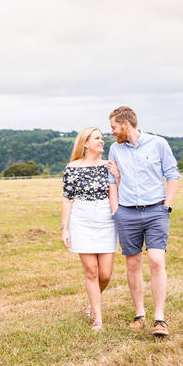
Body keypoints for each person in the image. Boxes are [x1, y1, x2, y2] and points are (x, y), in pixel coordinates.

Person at [107, 106, 180, 337]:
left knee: (156, 261)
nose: (112, 132)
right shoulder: (115, 149)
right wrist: (116, 211)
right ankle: (140, 315)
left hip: (156, 211)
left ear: (125, 125)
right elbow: (112, 181)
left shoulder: (159, 144)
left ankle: (160, 319)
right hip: (127, 213)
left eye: (114, 127)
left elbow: (173, 175)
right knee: (132, 264)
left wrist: (166, 205)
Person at [61, 127, 120, 331]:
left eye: (102, 138)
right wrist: (64, 228)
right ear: (85, 143)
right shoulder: (73, 167)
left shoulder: (109, 165)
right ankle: (97, 317)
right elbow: (67, 200)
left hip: (106, 220)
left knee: (105, 274)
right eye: (97, 138)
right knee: (91, 271)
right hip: (82, 220)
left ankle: (91, 302)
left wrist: (117, 177)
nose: (102, 141)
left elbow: (118, 192)